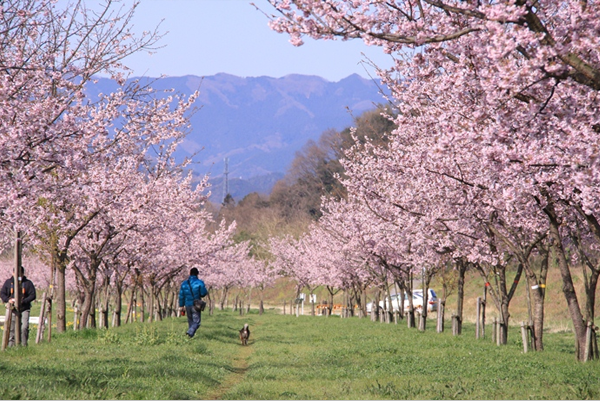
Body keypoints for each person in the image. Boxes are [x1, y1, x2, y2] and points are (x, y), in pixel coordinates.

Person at [1, 267, 36, 346]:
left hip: (25, 308)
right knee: (12, 328)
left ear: (23, 274)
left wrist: (23, 301)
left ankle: (24, 345)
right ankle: (11, 345)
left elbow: (33, 295)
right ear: (13, 273)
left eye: (20, 274)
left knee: (24, 327)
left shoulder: (28, 283)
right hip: (12, 308)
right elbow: (2, 293)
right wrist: (8, 300)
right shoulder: (8, 282)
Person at [178, 267, 207, 338]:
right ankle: (190, 332)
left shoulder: (184, 283)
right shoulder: (200, 282)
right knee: (197, 322)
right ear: (197, 274)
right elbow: (203, 293)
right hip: (196, 305)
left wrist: (181, 305)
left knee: (190, 321)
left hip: (187, 305)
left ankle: (189, 336)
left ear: (190, 273)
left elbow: (181, 295)